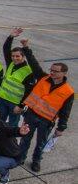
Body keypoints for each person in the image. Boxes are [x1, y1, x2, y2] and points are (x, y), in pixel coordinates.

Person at [18, 42, 74, 172]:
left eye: (56, 71)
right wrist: (26, 48)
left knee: (40, 143)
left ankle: (36, 160)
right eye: (51, 70)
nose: (52, 73)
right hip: (31, 115)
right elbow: (33, 63)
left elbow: (66, 112)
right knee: (25, 138)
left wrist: (61, 128)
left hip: (47, 120)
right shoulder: (43, 78)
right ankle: (21, 157)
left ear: (64, 73)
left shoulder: (68, 91)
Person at [0, 28, 33, 126]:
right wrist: (11, 37)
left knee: (13, 125)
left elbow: (29, 91)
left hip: (15, 103)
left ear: (23, 57)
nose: (14, 58)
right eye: (13, 56)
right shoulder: (11, 64)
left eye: (17, 56)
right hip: (2, 99)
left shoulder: (28, 72)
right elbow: (5, 48)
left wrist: (21, 106)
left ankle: (10, 141)